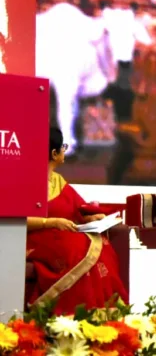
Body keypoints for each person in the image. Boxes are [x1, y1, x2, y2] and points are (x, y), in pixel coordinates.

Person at [25, 127, 128, 314]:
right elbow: (17, 219)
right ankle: (72, 313)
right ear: (54, 153)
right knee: (76, 248)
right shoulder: (25, 181)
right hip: (35, 238)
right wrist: (51, 222)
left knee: (102, 246)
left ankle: (103, 311)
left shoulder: (58, 180)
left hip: (60, 236)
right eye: (63, 147)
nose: (64, 151)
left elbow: (78, 208)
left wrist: (91, 217)